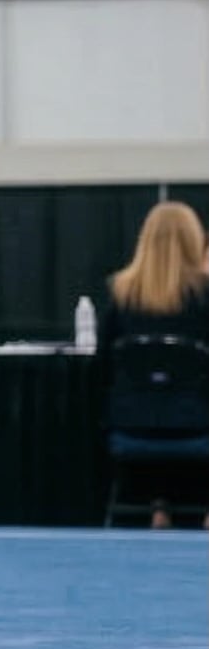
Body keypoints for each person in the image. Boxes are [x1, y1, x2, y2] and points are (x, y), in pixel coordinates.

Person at [96, 201, 209, 529]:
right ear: (194, 241)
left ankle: (156, 503)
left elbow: (102, 366)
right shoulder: (205, 297)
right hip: (197, 426)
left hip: (131, 425)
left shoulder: (120, 293)